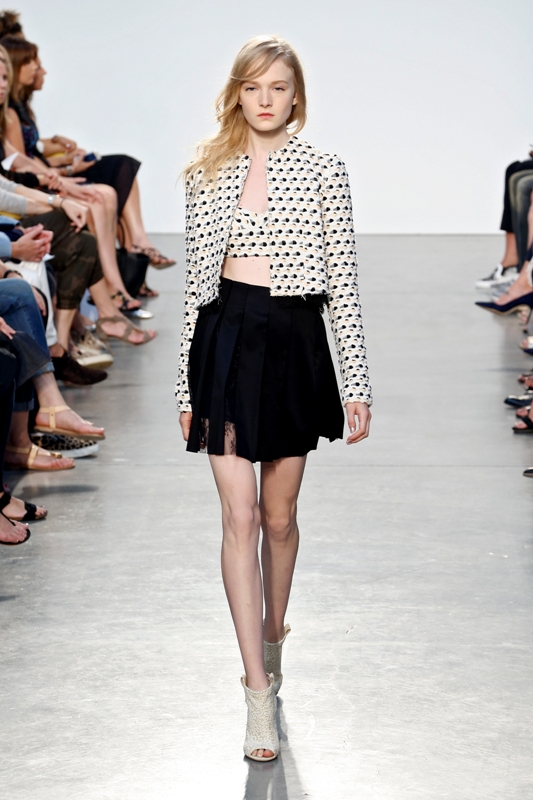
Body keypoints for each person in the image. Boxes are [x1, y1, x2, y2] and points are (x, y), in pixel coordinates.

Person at [175, 35, 372, 761]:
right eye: (253, 86)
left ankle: (272, 635)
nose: (265, 99)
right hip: (224, 337)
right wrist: (183, 385)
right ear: (237, 92)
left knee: (279, 517)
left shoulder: (324, 169)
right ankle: (256, 692)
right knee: (241, 515)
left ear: (296, 97)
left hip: (293, 340)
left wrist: (357, 383)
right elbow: (194, 287)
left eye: (278, 87)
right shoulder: (205, 170)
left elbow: (342, 282)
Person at [0, 34, 175, 269]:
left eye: (4, 78)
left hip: (45, 177)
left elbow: (27, 154)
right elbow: (20, 165)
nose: (41, 70)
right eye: (33, 63)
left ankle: (134, 250)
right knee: (110, 185)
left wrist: (63, 156)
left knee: (121, 170)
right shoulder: (10, 113)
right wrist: (65, 173)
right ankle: (129, 258)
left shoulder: (19, 109)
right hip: (39, 183)